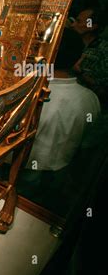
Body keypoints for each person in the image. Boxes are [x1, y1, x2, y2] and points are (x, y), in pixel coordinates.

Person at [18, 29, 100, 215]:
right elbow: (88, 144)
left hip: (20, 168)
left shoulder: (25, 92)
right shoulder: (90, 99)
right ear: (78, 60)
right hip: (57, 175)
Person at [71, 6, 108, 109]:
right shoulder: (69, 42)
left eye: (79, 21)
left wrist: (80, 73)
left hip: (85, 105)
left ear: (91, 26)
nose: (73, 25)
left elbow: (103, 91)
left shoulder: (103, 50)